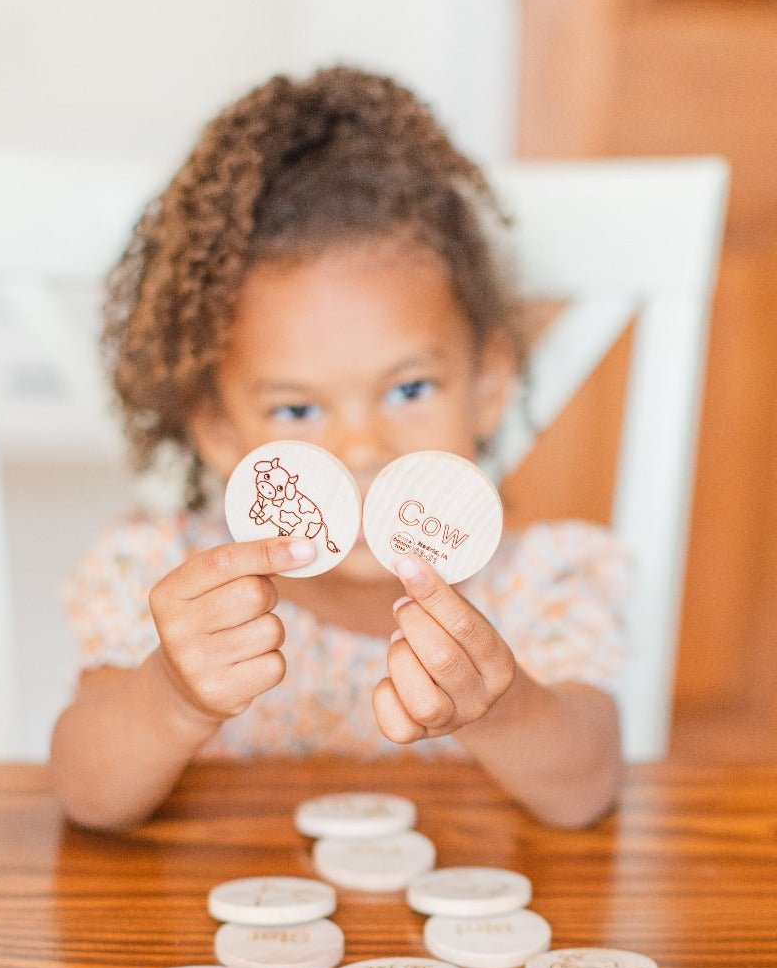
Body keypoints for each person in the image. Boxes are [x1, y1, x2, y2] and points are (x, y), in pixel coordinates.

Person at [50, 68, 631, 832]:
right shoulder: (161, 578)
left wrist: (502, 706)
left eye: (410, 390)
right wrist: (173, 694)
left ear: (487, 384)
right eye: (297, 408)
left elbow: (585, 790)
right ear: (221, 431)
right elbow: (87, 795)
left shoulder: (539, 585)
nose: (362, 447)